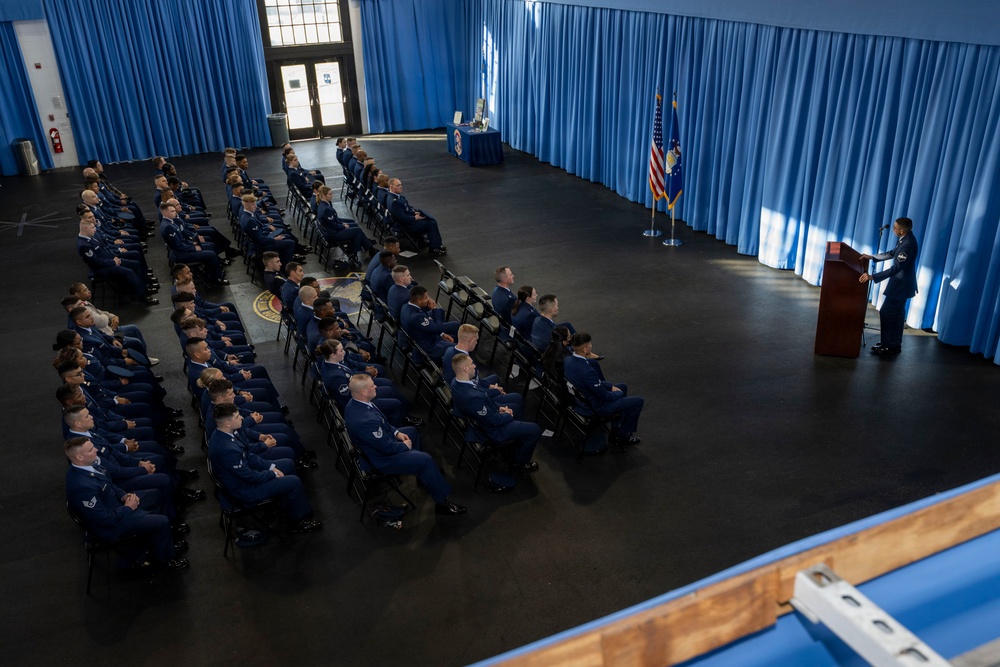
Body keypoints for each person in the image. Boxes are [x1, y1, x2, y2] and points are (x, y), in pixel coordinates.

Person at [344, 374, 465, 515]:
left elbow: (382, 421)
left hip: (380, 444)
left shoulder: (356, 403)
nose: (375, 386)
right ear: (363, 391)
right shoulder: (365, 421)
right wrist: (404, 446)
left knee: (411, 431)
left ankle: (424, 475)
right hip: (382, 459)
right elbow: (386, 448)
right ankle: (442, 502)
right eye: (372, 385)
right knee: (424, 459)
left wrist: (396, 433)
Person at [64, 437, 189, 571]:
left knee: (155, 495)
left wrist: (124, 495)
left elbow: (111, 485)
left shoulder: (90, 465)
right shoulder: (81, 487)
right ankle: (165, 559)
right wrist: (128, 508)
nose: (96, 450)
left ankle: (157, 542)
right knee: (162, 522)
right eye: (90, 450)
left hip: (119, 505)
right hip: (113, 523)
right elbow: (103, 520)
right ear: (79, 456)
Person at [208, 403, 322, 533]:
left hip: (245, 477)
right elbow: (250, 477)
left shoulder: (226, 433)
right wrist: (272, 474)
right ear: (227, 423)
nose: (241, 418)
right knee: (293, 482)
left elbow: (248, 455)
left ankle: (287, 507)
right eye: (237, 417)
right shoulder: (226, 449)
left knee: (288, 464)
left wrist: (271, 466)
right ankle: (298, 522)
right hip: (245, 490)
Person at [450, 353, 541, 472]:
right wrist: (507, 415)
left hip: (488, 416)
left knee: (515, 404)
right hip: (492, 430)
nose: (474, 366)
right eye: (472, 363)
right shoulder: (472, 397)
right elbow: (492, 420)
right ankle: (519, 463)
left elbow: (485, 402)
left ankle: (515, 443)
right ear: (465, 368)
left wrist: (499, 408)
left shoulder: (456, 382)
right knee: (535, 430)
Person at [563, 332, 643, 448]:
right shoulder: (587, 371)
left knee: (623, 386)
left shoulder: (568, 360)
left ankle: (616, 427)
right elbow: (605, 396)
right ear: (585, 349)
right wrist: (617, 393)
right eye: (590, 344)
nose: (591, 345)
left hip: (582, 400)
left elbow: (592, 384)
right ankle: (622, 435)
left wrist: (610, 386)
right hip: (596, 406)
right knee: (637, 401)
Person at [859, 217, 919, 355]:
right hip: (902, 286)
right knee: (897, 316)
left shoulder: (908, 244)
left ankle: (888, 346)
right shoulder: (906, 239)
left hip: (900, 287)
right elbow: (892, 253)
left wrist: (873, 276)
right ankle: (893, 344)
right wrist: (872, 257)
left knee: (887, 313)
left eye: (895, 228)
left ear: (902, 231)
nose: (893, 230)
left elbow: (896, 268)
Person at [387, 178, 447, 255]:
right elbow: (403, 219)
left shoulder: (395, 197)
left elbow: (407, 208)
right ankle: (434, 247)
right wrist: (416, 217)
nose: (401, 186)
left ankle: (427, 242)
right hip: (407, 226)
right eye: (398, 185)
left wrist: (414, 212)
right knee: (431, 223)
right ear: (391, 187)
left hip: (408, 221)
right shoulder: (394, 202)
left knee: (427, 218)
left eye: (401, 184)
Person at [491, 266, 516, 335]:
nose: (513, 276)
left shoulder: (496, 291)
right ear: (505, 280)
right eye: (511, 275)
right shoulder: (508, 299)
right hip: (509, 327)